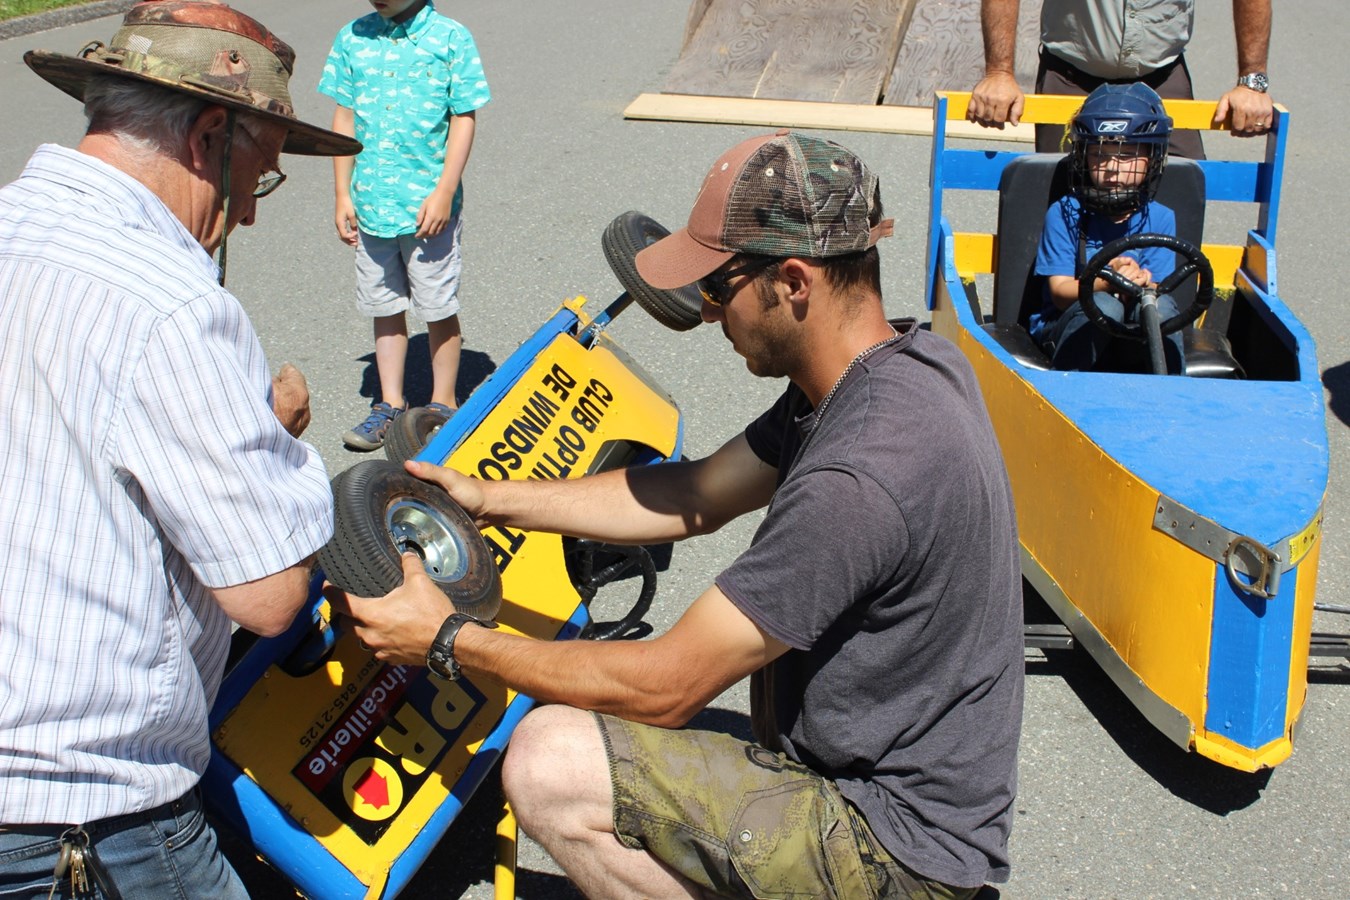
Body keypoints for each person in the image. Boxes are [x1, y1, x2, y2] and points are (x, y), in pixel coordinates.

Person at [330, 131, 1025, 897]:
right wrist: (494, 498)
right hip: (902, 793)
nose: (704, 311)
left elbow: (668, 684)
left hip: (891, 846)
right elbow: (695, 494)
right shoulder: (905, 365)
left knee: (549, 761)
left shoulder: (861, 474)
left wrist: (449, 639)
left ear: (793, 282)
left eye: (717, 288)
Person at [0, 2, 359, 896]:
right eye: (256, 178)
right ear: (208, 133)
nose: (246, 212)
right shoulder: (169, 302)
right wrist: (269, 447)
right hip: (77, 807)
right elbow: (271, 594)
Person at [320, 0, 491, 451]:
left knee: (436, 305)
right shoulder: (353, 36)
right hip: (371, 203)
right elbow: (345, 115)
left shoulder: (450, 38)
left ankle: (443, 405)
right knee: (383, 305)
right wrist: (342, 193)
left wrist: (444, 189)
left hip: (427, 209)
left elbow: (464, 116)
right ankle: (390, 404)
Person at [967, 0, 1274, 158]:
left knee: (1183, 193)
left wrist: (1252, 83)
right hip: (1071, 76)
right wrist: (999, 73)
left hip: (1162, 78)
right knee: (1058, 203)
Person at [1030, 82, 1185, 373]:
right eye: (1100, 155)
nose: (1113, 167)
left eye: (1126, 156)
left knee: (1160, 308)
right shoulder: (1064, 212)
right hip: (1064, 328)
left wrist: (1138, 282)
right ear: (1083, 157)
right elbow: (1060, 292)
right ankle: (1067, 399)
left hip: (1134, 329)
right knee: (1104, 305)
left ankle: (1170, 396)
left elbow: (1159, 289)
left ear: (1152, 158)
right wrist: (1107, 281)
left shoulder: (1161, 217)